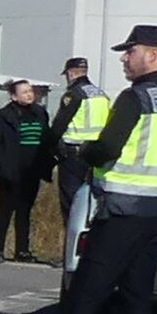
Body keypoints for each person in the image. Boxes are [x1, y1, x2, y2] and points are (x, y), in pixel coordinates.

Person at [24, 27, 157, 314]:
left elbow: (109, 147)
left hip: (121, 208)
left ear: (151, 55)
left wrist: (85, 157)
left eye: (129, 51)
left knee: (87, 290)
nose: (123, 58)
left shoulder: (135, 98)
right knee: (137, 294)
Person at [0, 78, 54, 261]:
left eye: (30, 91)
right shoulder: (3, 115)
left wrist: (48, 163)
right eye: (24, 92)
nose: (29, 94)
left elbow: (47, 139)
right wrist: (1, 165)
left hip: (32, 170)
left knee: (25, 211)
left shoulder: (40, 113)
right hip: (11, 170)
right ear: (14, 96)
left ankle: (22, 250)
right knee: (6, 209)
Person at [47, 54, 108, 235]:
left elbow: (59, 125)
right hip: (97, 155)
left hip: (74, 154)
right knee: (93, 201)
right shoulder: (101, 94)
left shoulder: (73, 94)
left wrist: (50, 149)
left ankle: (71, 247)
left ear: (72, 73)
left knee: (72, 203)